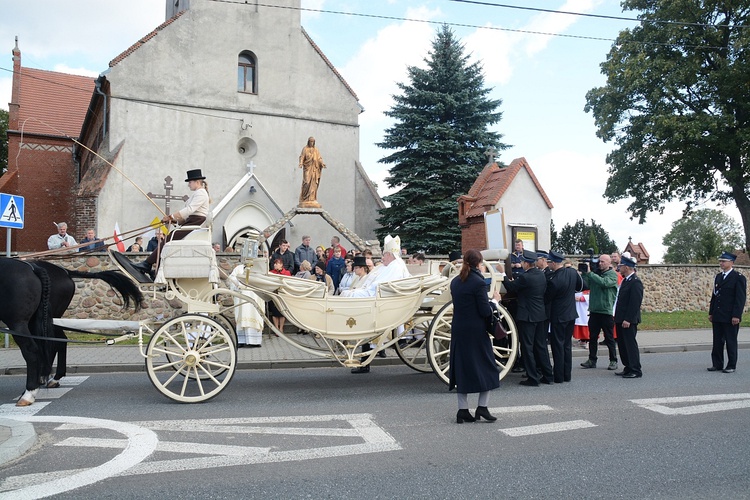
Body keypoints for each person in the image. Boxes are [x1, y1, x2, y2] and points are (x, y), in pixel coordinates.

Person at [449, 249, 502, 423]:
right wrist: (495, 302)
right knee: (487, 367)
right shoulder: (479, 283)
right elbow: (484, 311)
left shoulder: (456, 282)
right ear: (479, 263)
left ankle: (462, 410)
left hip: (459, 329)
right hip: (475, 331)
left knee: (462, 368)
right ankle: (482, 407)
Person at [134, 169, 210, 276]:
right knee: (168, 242)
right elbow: (189, 214)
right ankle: (155, 268)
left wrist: (171, 216)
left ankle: (148, 264)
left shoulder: (201, 193)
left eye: (190, 182)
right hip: (191, 221)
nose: (189, 185)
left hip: (194, 222)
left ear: (196, 181)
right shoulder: (199, 193)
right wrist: (175, 220)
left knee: (167, 242)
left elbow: (189, 210)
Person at [503, 249, 553, 386]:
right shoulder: (540, 275)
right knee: (541, 346)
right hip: (539, 314)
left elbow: (510, 287)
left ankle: (533, 377)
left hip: (527, 316)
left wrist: (502, 274)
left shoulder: (526, 277)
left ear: (526, 263)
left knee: (527, 347)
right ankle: (548, 375)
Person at [545, 250, 583, 383]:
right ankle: (567, 375)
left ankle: (559, 376)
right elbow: (580, 287)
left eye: (549, 261)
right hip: (571, 314)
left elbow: (547, 298)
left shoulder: (554, 280)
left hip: (558, 317)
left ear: (554, 263)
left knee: (558, 346)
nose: (548, 264)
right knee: (567, 345)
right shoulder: (572, 272)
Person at [708, 251, 747, 373]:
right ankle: (717, 364)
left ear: (731, 262)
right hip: (718, 314)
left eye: (724, 261)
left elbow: (740, 298)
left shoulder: (738, 278)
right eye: (720, 261)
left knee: (730, 341)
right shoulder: (719, 277)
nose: (721, 263)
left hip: (730, 315)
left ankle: (731, 365)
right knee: (717, 341)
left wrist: (736, 315)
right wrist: (711, 312)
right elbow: (715, 296)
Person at [580, 254, 619, 371]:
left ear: (609, 263)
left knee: (609, 338)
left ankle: (613, 360)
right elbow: (586, 285)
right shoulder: (596, 274)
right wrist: (585, 273)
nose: (600, 263)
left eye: (602, 262)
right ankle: (592, 359)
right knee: (592, 337)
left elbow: (604, 283)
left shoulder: (612, 275)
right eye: (599, 262)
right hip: (594, 310)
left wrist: (591, 273)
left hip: (606, 311)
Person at [614, 255, 644, 378]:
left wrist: (628, 319)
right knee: (622, 344)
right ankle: (628, 366)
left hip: (628, 320)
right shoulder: (625, 280)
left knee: (630, 344)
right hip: (621, 318)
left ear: (626, 267)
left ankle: (635, 369)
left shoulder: (635, 282)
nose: (619, 268)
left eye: (621, 266)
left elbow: (635, 303)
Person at [298, 136, 326, 207]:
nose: (312, 143)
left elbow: (319, 158)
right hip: (307, 168)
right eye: (310, 141)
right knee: (306, 182)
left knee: (313, 184)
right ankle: (304, 198)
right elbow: (302, 156)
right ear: (308, 142)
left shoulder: (316, 150)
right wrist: (301, 163)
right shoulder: (305, 149)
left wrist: (322, 163)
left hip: (314, 169)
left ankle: (312, 198)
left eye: (313, 141)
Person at [268, 258, 292, 334]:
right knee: (275, 313)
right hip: (274, 294)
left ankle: (281, 328)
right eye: (274, 263)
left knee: (282, 312)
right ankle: (276, 328)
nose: (275, 265)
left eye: (277, 263)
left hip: (283, 295)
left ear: (281, 265)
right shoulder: (271, 273)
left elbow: (289, 283)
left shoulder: (287, 273)